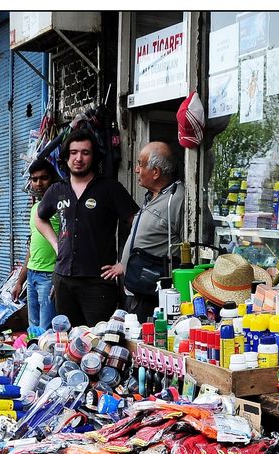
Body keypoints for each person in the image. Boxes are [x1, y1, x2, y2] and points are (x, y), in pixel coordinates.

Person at [35, 129, 138, 327]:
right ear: (65, 157)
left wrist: (125, 263)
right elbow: (40, 219)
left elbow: (139, 224)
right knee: (69, 339)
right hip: (63, 279)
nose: (78, 158)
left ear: (94, 156)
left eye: (85, 152)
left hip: (98, 282)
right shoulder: (57, 190)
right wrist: (56, 245)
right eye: (73, 153)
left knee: (98, 341)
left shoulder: (110, 189)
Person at [112, 141, 185, 322]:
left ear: (156, 172)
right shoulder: (152, 196)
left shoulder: (178, 199)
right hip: (137, 291)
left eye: (140, 164)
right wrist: (124, 263)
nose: (136, 170)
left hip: (155, 296)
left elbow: (190, 248)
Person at [11, 159, 61, 332]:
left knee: (47, 329)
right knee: (33, 328)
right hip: (32, 275)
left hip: (50, 275)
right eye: (34, 179)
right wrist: (20, 281)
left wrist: (58, 278)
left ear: (53, 178)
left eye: (44, 178)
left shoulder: (60, 207)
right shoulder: (36, 208)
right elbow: (32, 248)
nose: (38, 183)